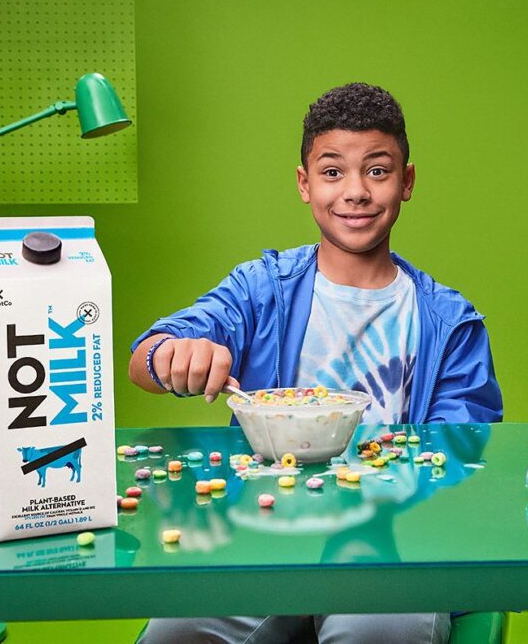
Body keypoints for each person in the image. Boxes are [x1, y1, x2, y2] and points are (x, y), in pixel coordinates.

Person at [129, 82, 503, 643]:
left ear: (407, 182)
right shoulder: (263, 288)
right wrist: (173, 355)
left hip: (392, 548)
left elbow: (463, 453)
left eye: (377, 171)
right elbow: (147, 356)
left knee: (378, 632)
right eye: (333, 172)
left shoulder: (448, 321)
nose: (355, 191)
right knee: (174, 631)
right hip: (263, 539)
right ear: (305, 184)